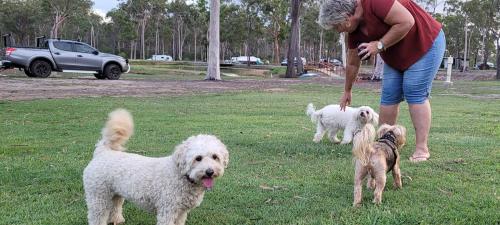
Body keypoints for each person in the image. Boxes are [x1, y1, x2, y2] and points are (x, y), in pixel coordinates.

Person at [318, 0, 445, 162]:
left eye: (336, 26)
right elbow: (352, 62)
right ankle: (384, 145)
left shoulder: (375, 2)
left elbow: (407, 21)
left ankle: (422, 148)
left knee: (414, 91)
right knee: (389, 95)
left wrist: (379, 45)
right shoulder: (354, 32)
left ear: (346, 18)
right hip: (396, 52)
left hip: (425, 42)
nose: (337, 31)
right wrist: (347, 90)